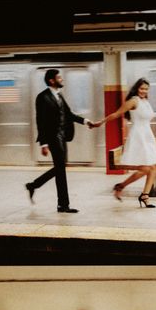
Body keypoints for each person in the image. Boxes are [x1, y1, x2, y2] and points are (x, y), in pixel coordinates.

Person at [25, 69, 92, 213]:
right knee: (61, 170)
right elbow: (40, 121)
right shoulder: (42, 97)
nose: (62, 79)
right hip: (52, 137)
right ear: (51, 80)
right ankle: (63, 205)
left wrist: (86, 121)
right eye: (59, 78)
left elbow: (69, 115)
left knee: (61, 168)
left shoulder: (59, 96)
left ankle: (33, 185)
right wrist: (43, 144)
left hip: (62, 136)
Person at [92, 78, 156, 208]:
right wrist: (100, 122)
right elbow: (117, 114)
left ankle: (145, 195)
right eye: (141, 88)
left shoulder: (146, 101)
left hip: (147, 136)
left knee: (154, 166)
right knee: (145, 168)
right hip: (138, 136)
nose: (144, 91)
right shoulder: (133, 101)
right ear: (136, 88)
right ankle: (121, 186)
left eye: (146, 89)